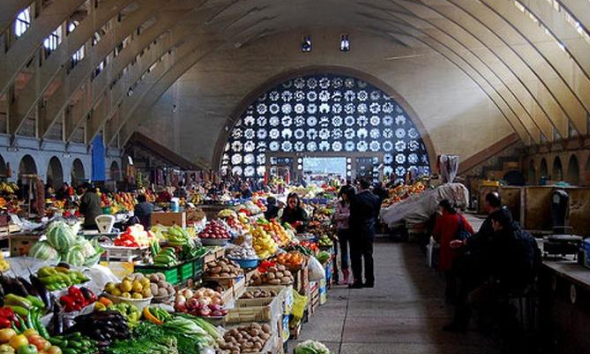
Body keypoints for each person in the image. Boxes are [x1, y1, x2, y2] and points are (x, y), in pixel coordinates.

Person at [432, 199, 474, 303]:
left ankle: (450, 298)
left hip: (446, 251)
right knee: (459, 275)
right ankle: (460, 298)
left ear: (443, 207)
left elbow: (435, 234)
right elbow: (471, 231)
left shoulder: (442, 219)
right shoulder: (459, 217)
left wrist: (440, 241)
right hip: (459, 251)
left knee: (449, 278)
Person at [349, 179, 380, 288]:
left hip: (356, 231)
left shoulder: (355, 199)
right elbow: (376, 215)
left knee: (356, 256)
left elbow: (352, 217)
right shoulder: (375, 198)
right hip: (369, 230)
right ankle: (370, 280)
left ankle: (358, 281)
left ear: (360, 186)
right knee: (368, 255)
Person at [334, 185, 354, 285]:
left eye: (346, 194)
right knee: (344, 253)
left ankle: (355, 276)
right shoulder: (339, 204)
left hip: (352, 230)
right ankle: (345, 276)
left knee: (354, 253)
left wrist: (343, 216)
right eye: (343, 194)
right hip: (341, 230)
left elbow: (355, 216)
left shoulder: (354, 203)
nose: (344, 196)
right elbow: (336, 216)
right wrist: (348, 215)